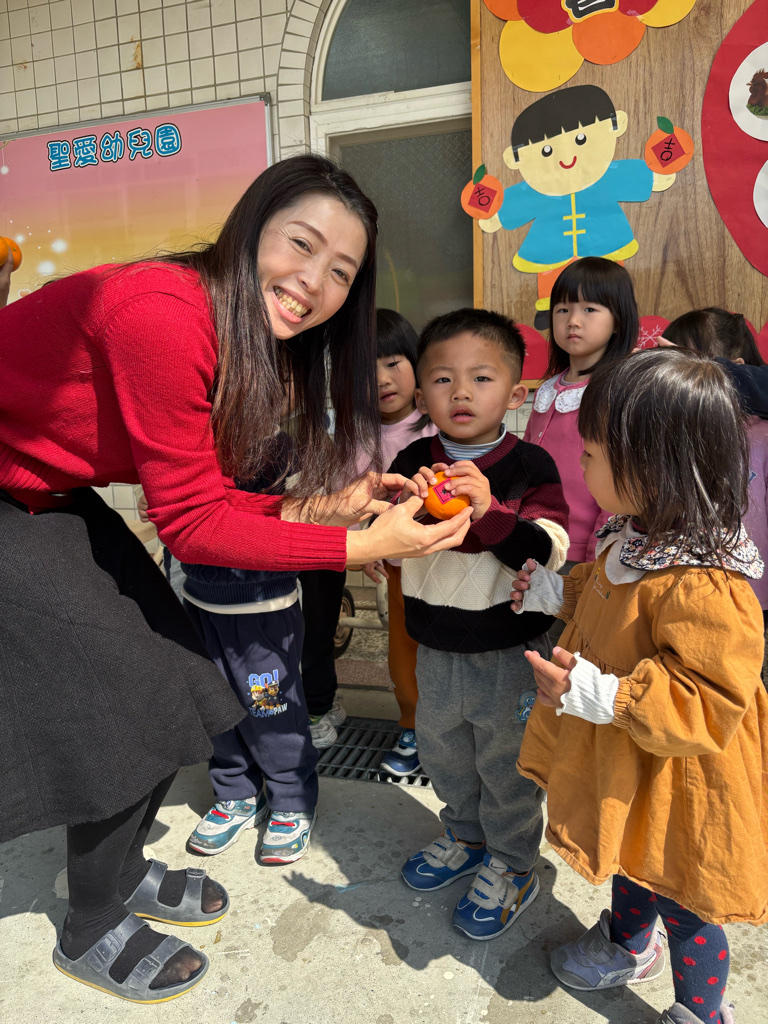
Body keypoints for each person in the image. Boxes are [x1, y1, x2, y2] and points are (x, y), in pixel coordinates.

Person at [0, 155, 472, 1003]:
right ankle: (91, 923)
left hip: (48, 488)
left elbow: (207, 499)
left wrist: (332, 508)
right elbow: (191, 526)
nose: (315, 283)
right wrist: (362, 548)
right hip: (11, 492)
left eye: (342, 272)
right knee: (120, 699)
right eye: (302, 245)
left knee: (179, 679)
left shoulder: (241, 338)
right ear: (251, 228)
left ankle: (120, 872)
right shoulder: (163, 312)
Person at [512, 349, 768, 1024]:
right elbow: (601, 594)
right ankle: (629, 942)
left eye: (594, 454)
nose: (582, 464)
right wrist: (551, 592)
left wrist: (607, 694)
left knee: (683, 893)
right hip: (629, 755)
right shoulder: (631, 534)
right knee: (627, 848)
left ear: (655, 467)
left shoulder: (703, 581)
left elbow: (708, 698)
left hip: (681, 774)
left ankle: (702, 1010)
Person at [376, 308, 569, 940]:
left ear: (515, 393)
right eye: (442, 379)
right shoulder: (414, 457)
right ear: (421, 395)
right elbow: (397, 537)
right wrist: (392, 525)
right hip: (434, 645)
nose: (460, 392)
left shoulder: (530, 465)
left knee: (508, 765)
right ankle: (464, 836)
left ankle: (513, 863)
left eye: (481, 378)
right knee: (444, 753)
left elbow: (546, 549)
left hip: (510, 650)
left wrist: (489, 511)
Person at [478, 84, 675, 324]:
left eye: (581, 139)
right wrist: (496, 214)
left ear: (616, 124)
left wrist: (653, 176)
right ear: (514, 159)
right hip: (550, 242)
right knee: (550, 272)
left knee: (609, 270)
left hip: (605, 238)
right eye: (546, 150)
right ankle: (550, 306)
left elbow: (632, 176)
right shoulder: (535, 191)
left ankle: (615, 303)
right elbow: (514, 202)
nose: (566, 157)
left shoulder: (609, 175)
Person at [352, 309, 439, 775]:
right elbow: (354, 500)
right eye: (367, 369)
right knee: (402, 648)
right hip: (397, 568)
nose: (382, 379)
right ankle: (412, 725)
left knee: (444, 650)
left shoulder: (438, 423)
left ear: (416, 363)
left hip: (445, 562)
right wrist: (367, 545)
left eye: (392, 363)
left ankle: (446, 733)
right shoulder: (358, 435)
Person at [660, 309, 768, 653]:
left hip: (754, 596)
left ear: (735, 370)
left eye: (688, 368)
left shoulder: (761, 437)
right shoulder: (674, 434)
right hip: (688, 589)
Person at [524, 256, 638, 565]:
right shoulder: (548, 389)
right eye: (562, 310)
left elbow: (620, 485)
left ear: (619, 321)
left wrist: (596, 555)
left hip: (582, 554)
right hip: (531, 541)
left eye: (589, 309)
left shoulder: (618, 391)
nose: (572, 320)